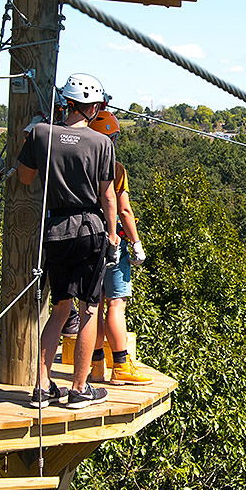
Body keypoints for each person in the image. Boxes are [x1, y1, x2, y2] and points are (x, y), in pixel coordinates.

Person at [17, 73, 119, 409]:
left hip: (56, 228)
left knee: (60, 310)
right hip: (90, 227)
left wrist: (32, 138)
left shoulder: (41, 135)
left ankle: (42, 385)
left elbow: (25, 176)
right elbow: (107, 196)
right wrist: (113, 235)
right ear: (93, 108)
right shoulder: (101, 143)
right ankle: (78, 388)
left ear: (66, 102)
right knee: (88, 310)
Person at [86, 111, 152, 385]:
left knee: (92, 305)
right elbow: (123, 209)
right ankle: (121, 366)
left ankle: (97, 365)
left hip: (84, 236)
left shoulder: (80, 162)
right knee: (115, 304)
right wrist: (136, 243)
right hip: (111, 241)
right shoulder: (115, 169)